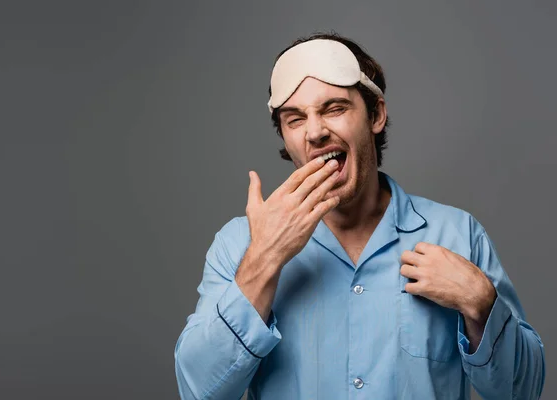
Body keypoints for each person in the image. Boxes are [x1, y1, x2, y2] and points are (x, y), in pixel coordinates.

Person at [174, 32, 546, 399]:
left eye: (334, 108)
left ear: (376, 114)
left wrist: (482, 306)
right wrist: (265, 258)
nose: (316, 132)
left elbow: (523, 391)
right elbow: (199, 392)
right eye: (295, 118)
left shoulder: (458, 234)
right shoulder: (240, 244)